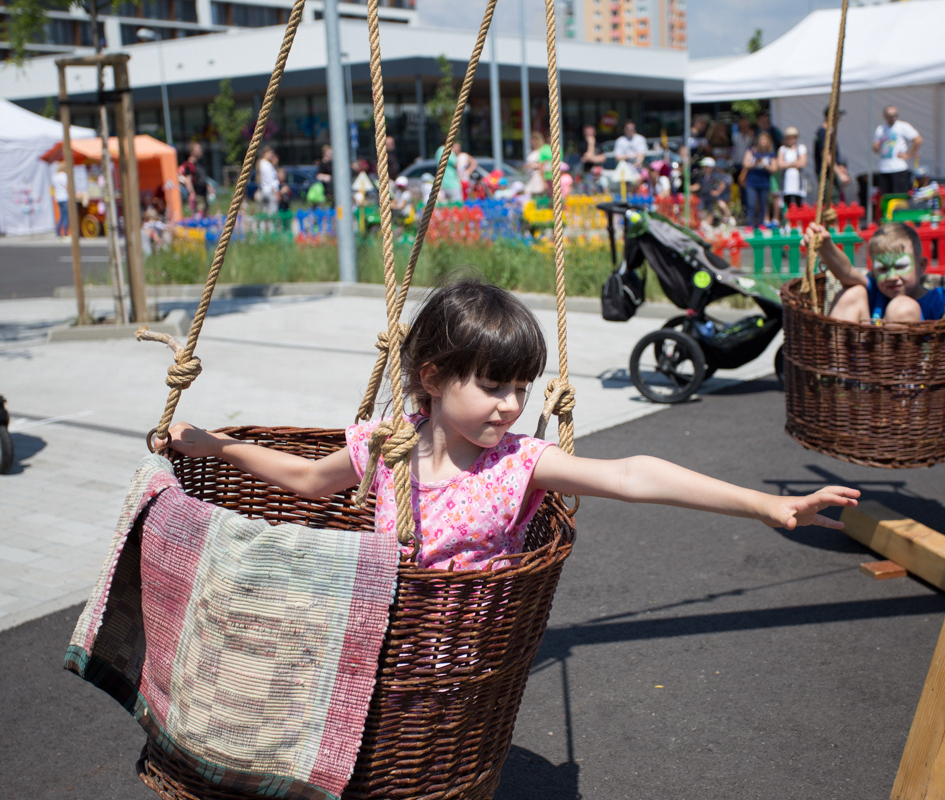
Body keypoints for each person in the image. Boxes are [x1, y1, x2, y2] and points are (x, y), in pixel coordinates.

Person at [167, 279, 859, 571]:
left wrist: (764, 504)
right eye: (492, 385)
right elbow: (306, 479)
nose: (509, 405)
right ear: (432, 378)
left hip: (469, 668)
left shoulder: (518, 464)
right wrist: (216, 445)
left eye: (521, 388)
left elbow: (632, 474)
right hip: (387, 644)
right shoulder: (387, 446)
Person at [806, 221, 945, 324]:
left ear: (921, 266)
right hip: (864, 369)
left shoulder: (936, 298)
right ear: (873, 271)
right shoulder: (874, 290)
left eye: (900, 266)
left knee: (902, 307)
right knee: (853, 292)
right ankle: (835, 371)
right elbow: (846, 272)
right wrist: (826, 247)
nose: (892, 276)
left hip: (914, 374)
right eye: (882, 269)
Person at [873, 105, 922, 196]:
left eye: (895, 115)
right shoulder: (880, 129)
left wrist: (908, 155)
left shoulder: (902, 126)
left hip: (899, 168)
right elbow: (875, 148)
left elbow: (918, 140)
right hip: (884, 168)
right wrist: (876, 147)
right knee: (886, 198)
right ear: (884, 116)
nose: (893, 118)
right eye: (890, 116)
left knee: (899, 198)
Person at [814, 106, 850, 204]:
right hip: (827, 175)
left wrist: (840, 167)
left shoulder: (829, 132)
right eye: (838, 116)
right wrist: (840, 174)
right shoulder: (823, 133)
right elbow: (826, 155)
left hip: (831, 173)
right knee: (831, 202)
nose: (839, 119)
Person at [742, 131, 778, 229]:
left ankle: (761, 224)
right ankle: (749, 224)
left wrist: (764, 164)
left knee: (763, 204)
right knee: (751, 204)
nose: (763, 142)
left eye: (765, 140)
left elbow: (774, 169)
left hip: (764, 182)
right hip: (752, 181)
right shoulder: (751, 151)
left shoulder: (771, 154)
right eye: (761, 140)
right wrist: (755, 163)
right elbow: (745, 164)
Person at [692, 157, 732, 225]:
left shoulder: (715, 176)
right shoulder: (701, 176)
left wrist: (717, 192)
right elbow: (699, 185)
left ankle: (726, 219)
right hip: (703, 196)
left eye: (705, 167)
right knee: (699, 209)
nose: (703, 168)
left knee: (712, 210)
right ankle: (701, 224)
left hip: (711, 197)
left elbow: (722, 184)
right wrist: (690, 188)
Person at [777, 126, 807, 210]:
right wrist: (794, 163)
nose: (791, 140)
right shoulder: (782, 149)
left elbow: (802, 163)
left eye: (793, 137)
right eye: (789, 137)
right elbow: (780, 164)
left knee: (798, 202)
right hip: (786, 181)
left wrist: (787, 164)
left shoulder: (801, 148)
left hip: (798, 181)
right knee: (786, 202)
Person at [178, 142, 209, 216]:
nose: (201, 150)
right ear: (192, 152)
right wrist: (192, 193)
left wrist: (208, 187)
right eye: (198, 149)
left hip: (203, 193)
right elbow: (188, 180)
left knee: (205, 214)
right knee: (199, 214)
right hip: (197, 195)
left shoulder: (199, 164)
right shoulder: (189, 165)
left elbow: (201, 178)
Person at [257, 146, 280, 214]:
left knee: (265, 211)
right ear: (264, 154)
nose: (271, 155)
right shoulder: (267, 165)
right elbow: (271, 180)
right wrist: (275, 192)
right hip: (270, 191)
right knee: (273, 212)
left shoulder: (261, 163)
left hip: (264, 190)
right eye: (270, 153)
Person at [51, 163, 70, 236]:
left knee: (61, 216)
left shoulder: (55, 176)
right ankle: (65, 233)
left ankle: (58, 232)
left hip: (58, 198)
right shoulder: (64, 175)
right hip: (65, 197)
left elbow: (53, 187)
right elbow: (66, 186)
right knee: (66, 216)